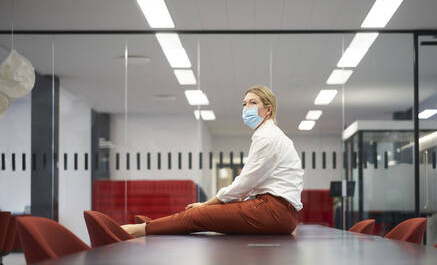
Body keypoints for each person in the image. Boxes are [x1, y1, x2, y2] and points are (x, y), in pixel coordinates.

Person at [122, 85, 304, 236]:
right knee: (204, 216)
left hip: (273, 212)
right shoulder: (270, 135)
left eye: (253, 103)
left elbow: (244, 183)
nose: (246, 108)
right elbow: (249, 185)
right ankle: (157, 225)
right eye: (244, 104)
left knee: (198, 215)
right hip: (279, 213)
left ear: (268, 109)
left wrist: (206, 204)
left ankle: (137, 230)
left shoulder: (267, 137)